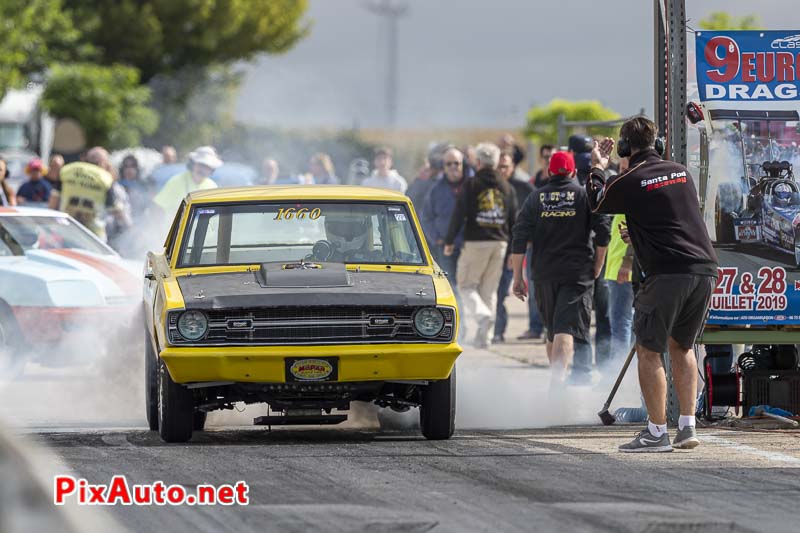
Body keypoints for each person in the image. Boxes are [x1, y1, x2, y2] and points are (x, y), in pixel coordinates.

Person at [587, 116, 718, 453]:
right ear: (658, 145)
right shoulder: (681, 172)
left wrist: (600, 166)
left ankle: (656, 432)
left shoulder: (630, 179)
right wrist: (641, 234)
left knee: (648, 350)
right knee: (682, 347)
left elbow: (596, 201)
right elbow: (669, 217)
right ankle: (687, 427)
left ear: (624, 148)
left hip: (667, 274)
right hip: (703, 270)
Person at [511, 151, 610, 386]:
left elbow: (519, 236)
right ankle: (557, 386)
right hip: (577, 273)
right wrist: (598, 265)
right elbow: (603, 231)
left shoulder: (536, 198)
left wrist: (518, 277)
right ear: (574, 172)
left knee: (553, 329)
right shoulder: (584, 195)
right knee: (564, 329)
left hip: (544, 273)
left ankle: (557, 379)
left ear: (549, 172)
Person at [444, 142, 516, 348]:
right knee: (489, 291)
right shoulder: (506, 186)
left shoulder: (472, 184)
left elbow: (459, 214)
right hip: (500, 243)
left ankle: (482, 315)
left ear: (478, 162)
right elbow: (514, 220)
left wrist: (449, 241)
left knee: (465, 285)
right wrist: (513, 250)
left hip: (476, 241)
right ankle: (484, 338)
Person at [569, 134, 611, 385]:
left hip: (590, 258)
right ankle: (601, 367)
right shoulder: (603, 174)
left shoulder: (574, 183)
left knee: (588, 315)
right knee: (600, 316)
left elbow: (602, 223)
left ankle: (588, 368)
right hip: (597, 256)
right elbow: (603, 225)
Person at [494, 152, 533, 343]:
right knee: (496, 293)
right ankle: (496, 331)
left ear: (512, 167)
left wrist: (514, 252)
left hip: (513, 249)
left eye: (505, 166)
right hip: (494, 247)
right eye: (499, 167)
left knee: (502, 291)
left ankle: (498, 331)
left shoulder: (523, 188)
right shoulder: (491, 188)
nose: (502, 170)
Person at [58, 147, 132, 242]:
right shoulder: (104, 178)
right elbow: (115, 209)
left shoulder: (68, 170)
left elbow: (54, 199)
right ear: (102, 162)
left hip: (65, 230)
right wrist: (129, 226)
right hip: (93, 236)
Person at [603, 157, 635, 371]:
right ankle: (624, 370)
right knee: (624, 324)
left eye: (625, 169)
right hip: (617, 270)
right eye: (620, 169)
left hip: (624, 272)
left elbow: (634, 234)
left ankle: (618, 371)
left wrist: (627, 263)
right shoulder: (625, 194)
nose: (621, 173)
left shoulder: (633, 196)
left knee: (620, 324)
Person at [421, 147, 466, 288]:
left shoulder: (472, 185)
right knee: (449, 283)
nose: (453, 167)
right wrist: (436, 239)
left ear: (462, 164)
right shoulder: (436, 189)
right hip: (445, 246)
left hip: (468, 246)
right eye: (449, 164)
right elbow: (426, 217)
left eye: (456, 163)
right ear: (444, 166)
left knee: (467, 284)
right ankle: (457, 310)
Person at [153, 146, 221, 218]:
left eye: (207, 167)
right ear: (193, 164)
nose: (203, 169)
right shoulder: (176, 181)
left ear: (212, 170)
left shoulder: (212, 186)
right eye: (201, 164)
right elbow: (158, 207)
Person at [118, 154, 152, 220]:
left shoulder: (143, 186)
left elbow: (148, 206)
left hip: (139, 221)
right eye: (126, 166)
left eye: (132, 166)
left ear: (137, 169)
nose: (129, 169)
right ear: (122, 169)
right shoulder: (117, 185)